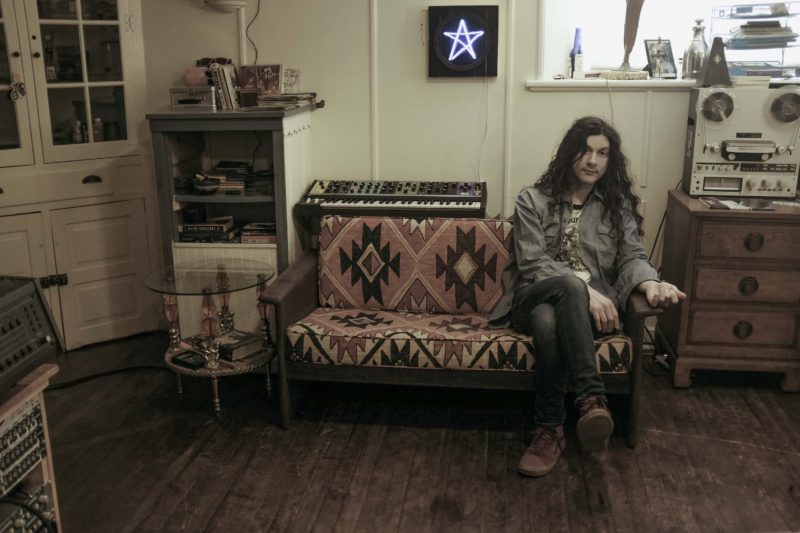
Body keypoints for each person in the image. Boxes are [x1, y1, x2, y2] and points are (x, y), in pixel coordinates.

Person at [489, 116, 686, 477]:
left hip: (565, 317)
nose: (592, 160)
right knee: (565, 289)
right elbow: (532, 262)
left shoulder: (617, 206)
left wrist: (648, 283)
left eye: (602, 153)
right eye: (584, 150)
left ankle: (549, 428)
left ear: (610, 161)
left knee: (549, 322)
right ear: (569, 154)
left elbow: (631, 256)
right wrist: (585, 290)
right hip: (529, 298)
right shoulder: (531, 200)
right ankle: (592, 399)